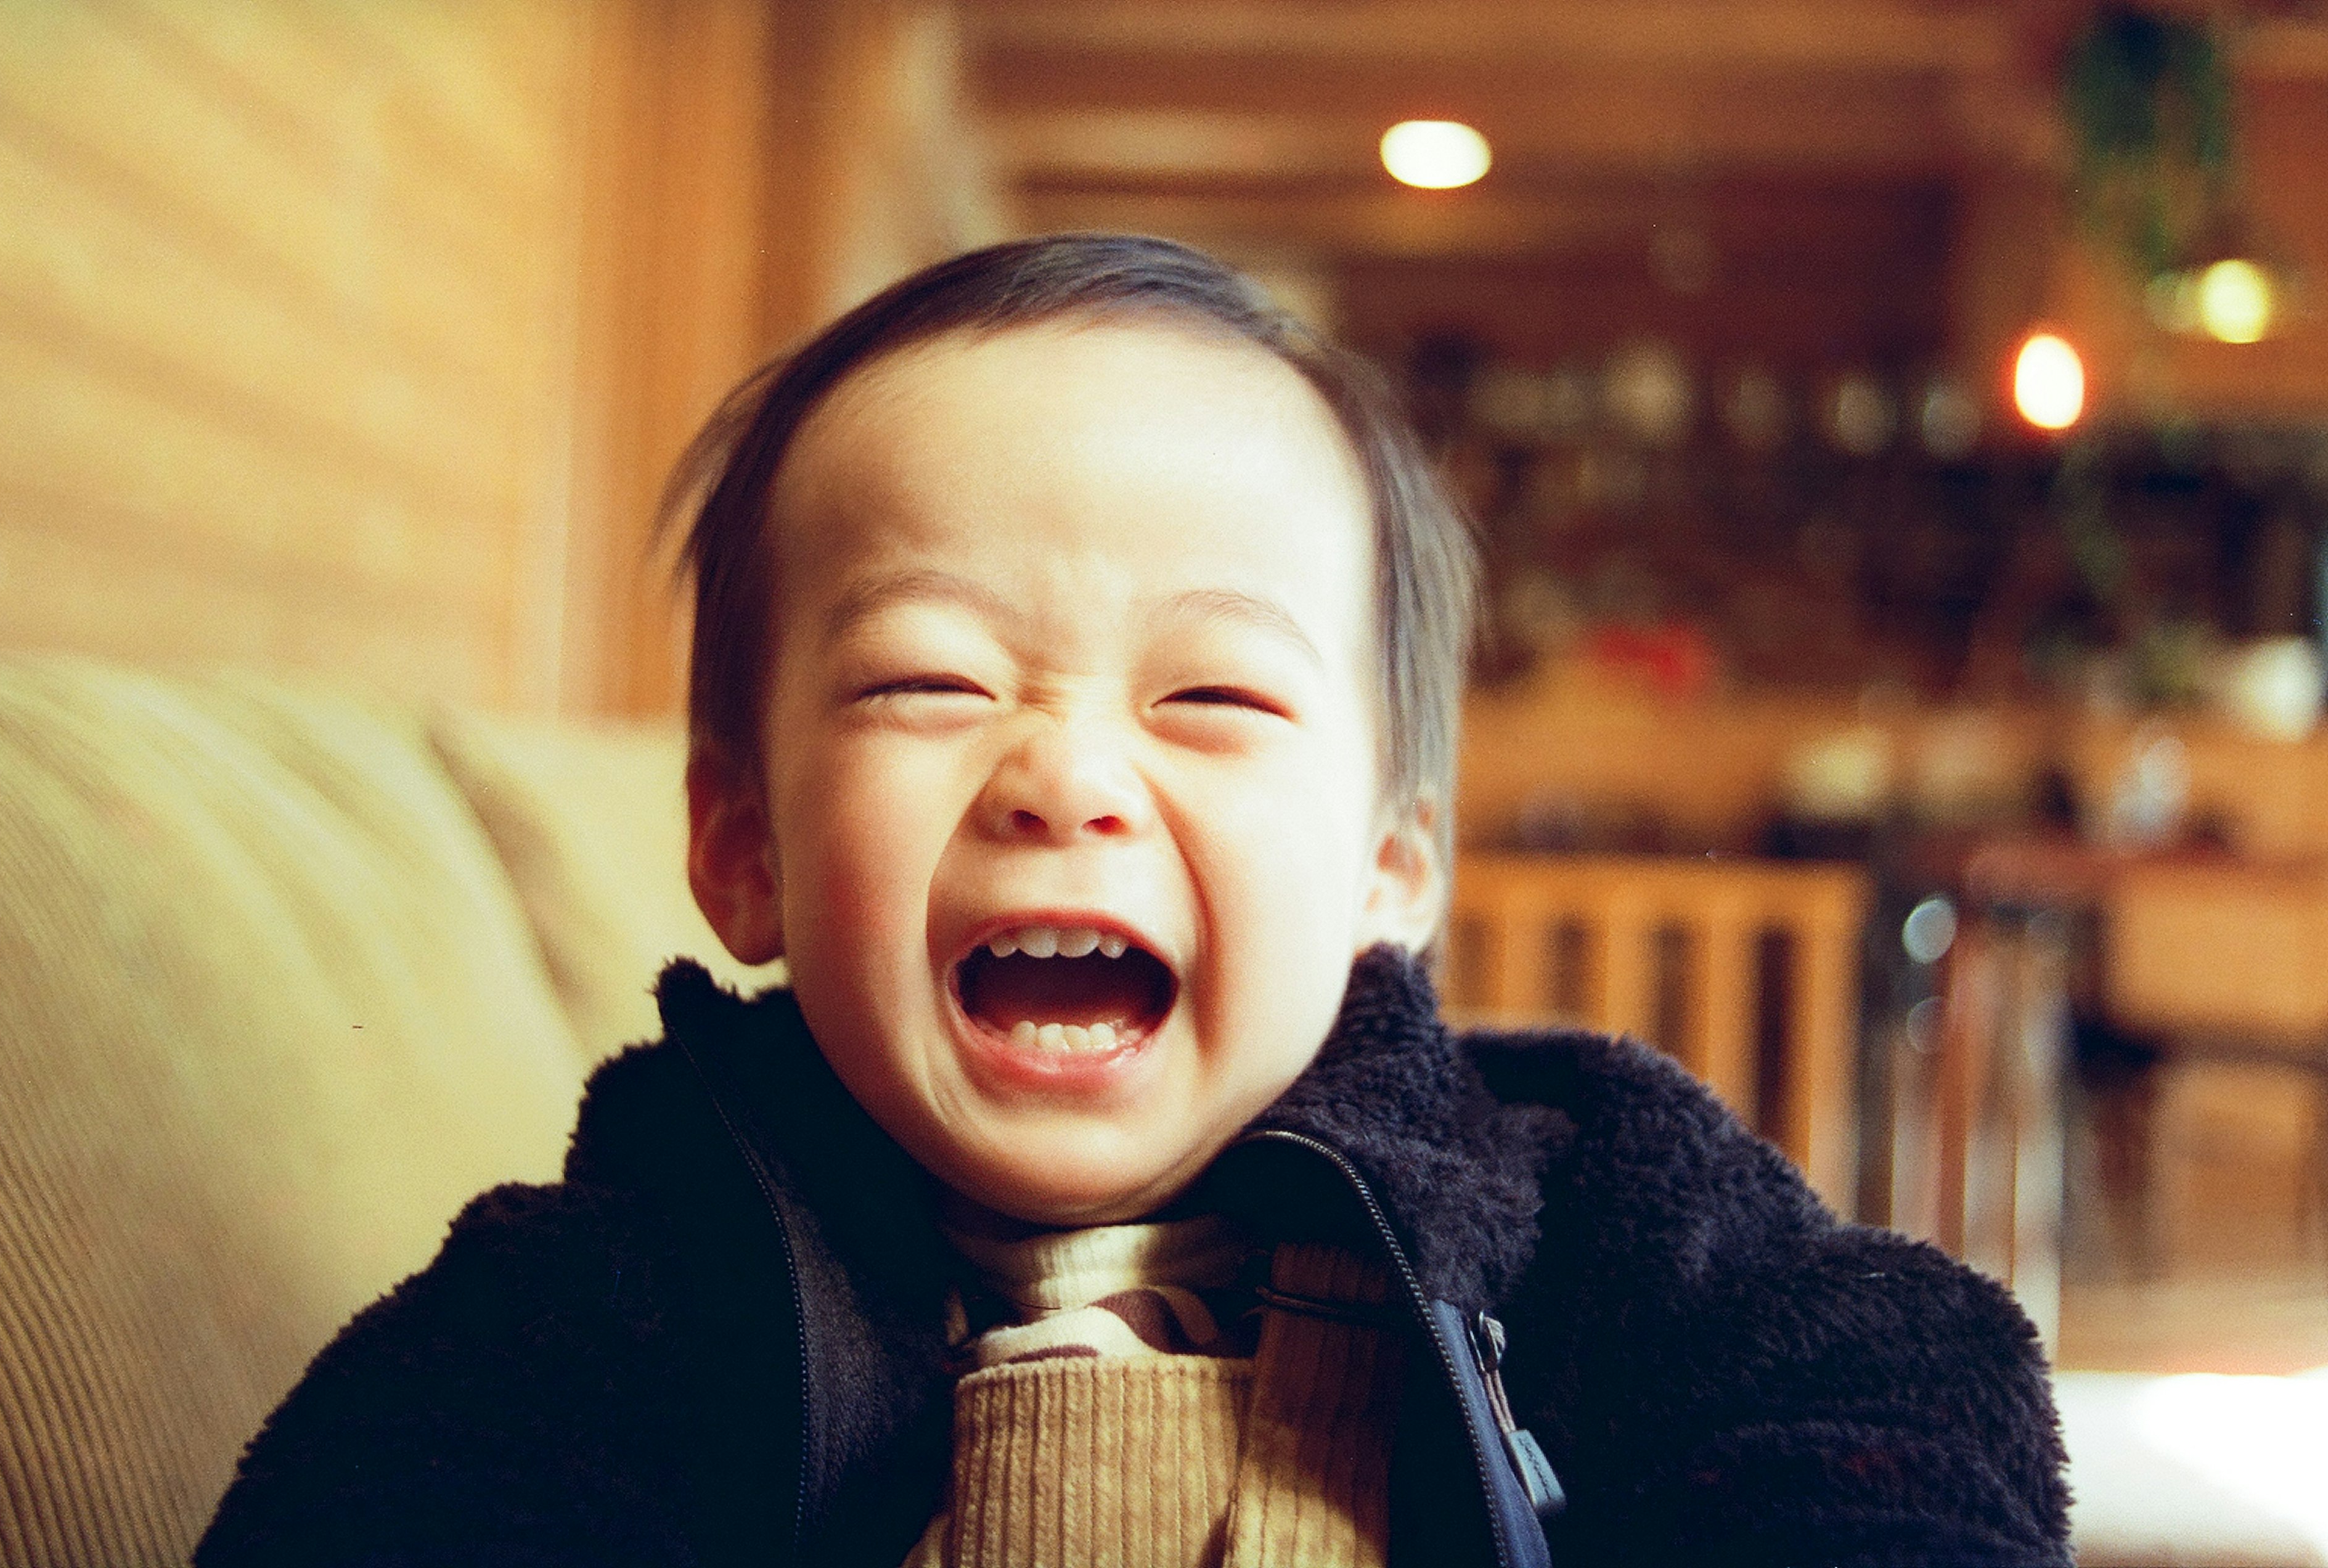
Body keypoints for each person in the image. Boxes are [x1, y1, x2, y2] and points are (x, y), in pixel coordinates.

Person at [198, 235, 2069, 1568]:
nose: (1065, 773)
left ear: (1386, 869)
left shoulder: (1565, 1187)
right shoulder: (642, 1274)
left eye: (1215, 696)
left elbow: (1878, 1373)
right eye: (930, 680)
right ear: (743, 846)